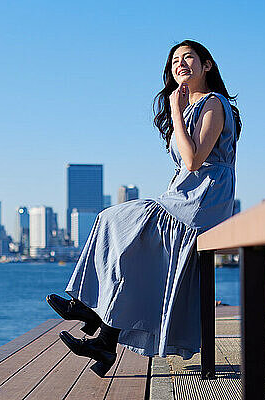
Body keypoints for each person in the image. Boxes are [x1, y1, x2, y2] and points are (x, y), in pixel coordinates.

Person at [47, 39, 241, 377]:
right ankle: (104, 339)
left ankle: (92, 314)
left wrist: (176, 110)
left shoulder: (213, 103)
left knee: (115, 219)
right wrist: (178, 110)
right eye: (175, 60)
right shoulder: (190, 105)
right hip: (185, 196)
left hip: (204, 200)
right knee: (129, 246)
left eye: (189, 58)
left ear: (206, 65)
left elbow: (194, 160)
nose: (181, 64)